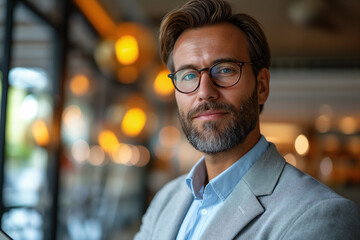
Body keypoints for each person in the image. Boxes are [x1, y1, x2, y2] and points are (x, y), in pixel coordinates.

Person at [135, 0, 360, 239]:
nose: (204, 92)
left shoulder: (319, 215)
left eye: (224, 69)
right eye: (188, 75)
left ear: (261, 86)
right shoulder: (165, 200)